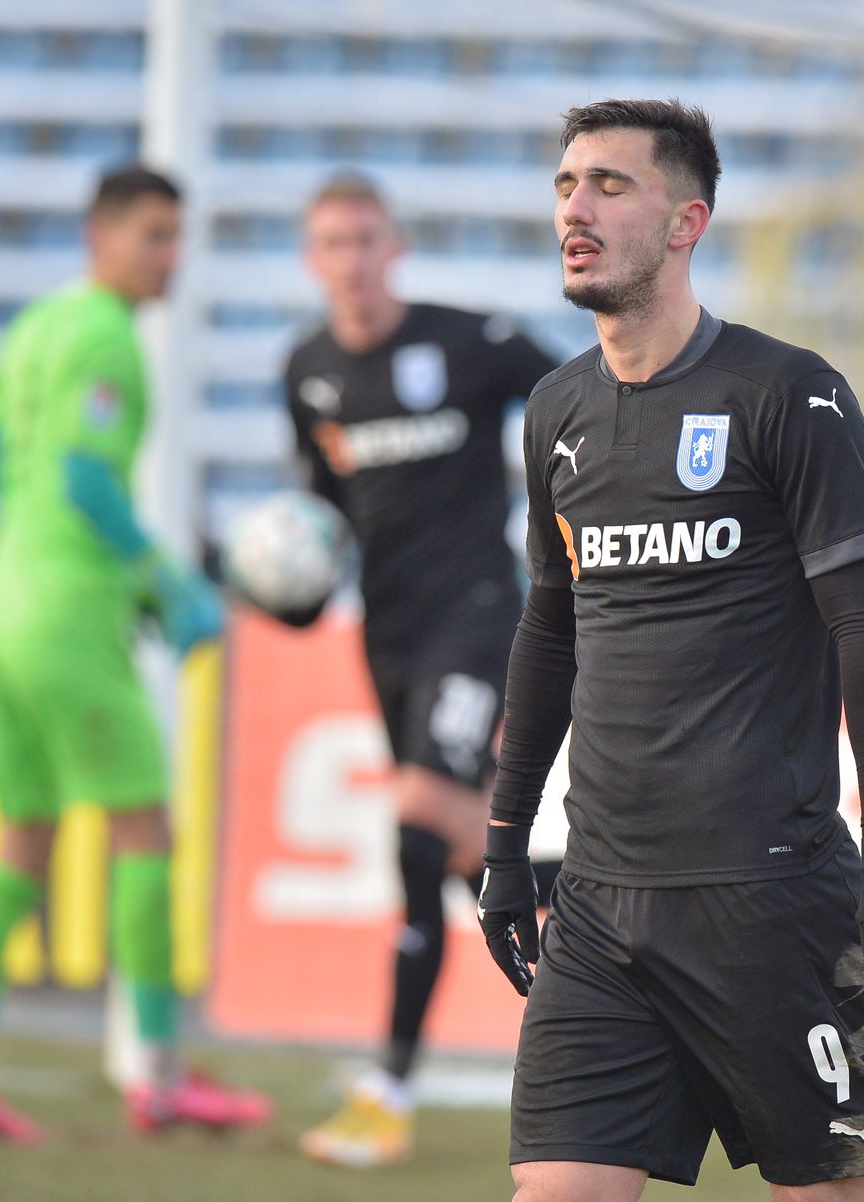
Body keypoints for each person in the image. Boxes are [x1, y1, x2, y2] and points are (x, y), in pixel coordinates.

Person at [476, 99, 864, 1202]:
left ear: (687, 220)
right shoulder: (556, 410)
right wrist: (508, 840)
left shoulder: (789, 394)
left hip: (771, 901)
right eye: (564, 185)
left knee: (835, 1192)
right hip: (601, 902)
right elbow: (552, 629)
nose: (574, 209)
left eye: (609, 185)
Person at [0, 165, 272, 1141]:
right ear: (101, 236)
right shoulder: (110, 338)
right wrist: (165, 579)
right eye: (154, 235)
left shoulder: (35, 327)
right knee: (145, 831)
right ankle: (157, 1073)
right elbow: (85, 480)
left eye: (175, 235)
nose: (171, 256)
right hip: (67, 612)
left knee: (21, 839)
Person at [279, 175, 562, 1168]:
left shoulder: (467, 341)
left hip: (479, 616)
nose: (351, 260)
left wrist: (572, 508)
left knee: (412, 825)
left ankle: (388, 1086)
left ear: (394, 246)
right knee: (454, 850)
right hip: (388, 637)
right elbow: (322, 531)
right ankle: (619, 921)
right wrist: (291, 591)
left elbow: (572, 393)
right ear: (313, 260)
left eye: (365, 239)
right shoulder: (307, 371)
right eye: (331, 244)